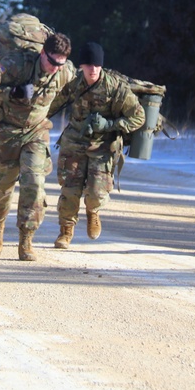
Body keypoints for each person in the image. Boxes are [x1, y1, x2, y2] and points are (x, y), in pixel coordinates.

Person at [0, 32, 75, 261]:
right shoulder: (15, 64)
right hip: (6, 131)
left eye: (60, 64)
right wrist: (11, 93)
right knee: (2, 186)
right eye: (52, 61)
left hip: (35, 133)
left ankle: (26, 239)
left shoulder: (65, 72)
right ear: (42, 53)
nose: (55, 68)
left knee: (34, 182)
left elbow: (89, 84)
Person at [48, 42, 145, 249]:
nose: (93, 70)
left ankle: (93, 212)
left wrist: (111, 124)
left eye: (97, 66)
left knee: (96, 194)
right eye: (88, 65)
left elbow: (138, 117)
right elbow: (51, 105)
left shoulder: (116, 88)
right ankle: (65, 231)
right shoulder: (74, 85)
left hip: (102, 146)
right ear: (81, 66)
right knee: (70, 190)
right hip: (74, 143)